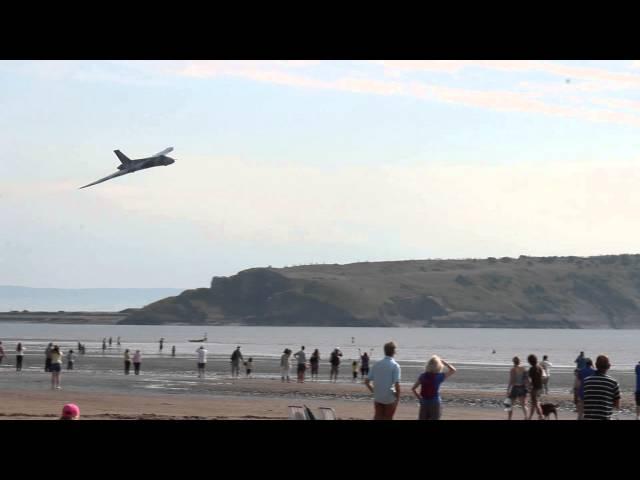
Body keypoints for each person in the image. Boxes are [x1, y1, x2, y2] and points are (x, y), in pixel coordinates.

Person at [411, 355, 457, 420]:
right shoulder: (439, 376)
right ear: (438, 366)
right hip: (435, 401)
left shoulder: (423, 376)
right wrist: (444, 362)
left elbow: (413, 389)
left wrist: (420, 399)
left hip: (424, 401)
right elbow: (453, 370)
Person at [365, 341, 401, 420]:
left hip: (378, 396)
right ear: (394, 352)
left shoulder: (377, 364)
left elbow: (366, 381)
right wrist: (397, 399)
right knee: (388, 417)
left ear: (384, 351)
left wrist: (374, 391)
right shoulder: (395, 365)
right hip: (389, 397)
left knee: (378, 417)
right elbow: (397, 385)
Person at [582, 355, 620, 420]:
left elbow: (584, 400)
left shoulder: (586, 381)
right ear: (609, 366)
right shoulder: (613, 382)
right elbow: (616, 404)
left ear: (596, 365)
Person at [527, 354, 544, 420]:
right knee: (534, 403)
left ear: (530, 361)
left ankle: (541, 416)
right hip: (540, 387)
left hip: (534, 388)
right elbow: (542, 377)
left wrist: (529, 387)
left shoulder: (532, 369)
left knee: (536, 403)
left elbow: (529, 379)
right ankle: (530, 417)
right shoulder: (540, 367)